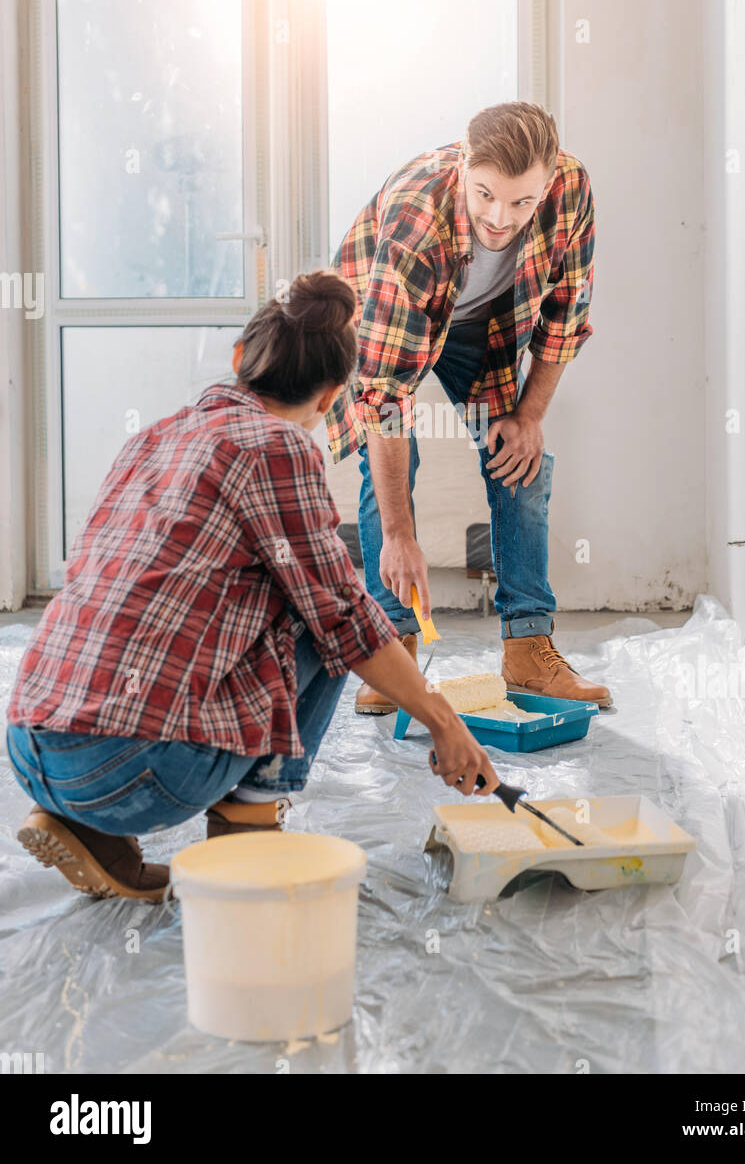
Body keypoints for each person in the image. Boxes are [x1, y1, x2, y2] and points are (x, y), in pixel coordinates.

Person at [6, 271, 499, 903]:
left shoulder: (152, 437)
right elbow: (345, 619)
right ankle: (248, 834)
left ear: (240, 360)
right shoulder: (276, 449)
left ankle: (88, 826)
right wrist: (443, 721)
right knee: (325, 614)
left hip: (32, 740)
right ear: (330, 399)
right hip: (137, 770)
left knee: (264, 593)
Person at [329, 102, 612, 715]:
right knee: (395, 470)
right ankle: (391, 655)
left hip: (480, 324)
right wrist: (401, 537)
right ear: (464, 164)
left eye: (521, 203)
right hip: (384, 314)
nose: (499, 218)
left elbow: (565, 317)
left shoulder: (571, 189)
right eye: (485, 195)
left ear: (548, 181)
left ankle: (529, 650)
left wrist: (528, 417)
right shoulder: (416, 218)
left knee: (522, 462)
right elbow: (384, 402)